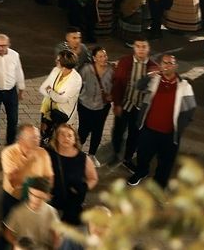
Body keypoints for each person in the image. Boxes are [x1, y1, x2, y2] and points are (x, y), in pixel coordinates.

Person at [127, 53, 197, 188]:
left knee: (166, 162)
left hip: (169, 134)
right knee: (143, 155)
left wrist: (181, 126)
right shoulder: (154, 81)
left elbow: (191, 108)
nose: (167, 66)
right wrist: (149, 76)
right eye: (165, 63)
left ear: (176, 66)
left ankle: (159, 184)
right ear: (160, 65)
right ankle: (141, 172)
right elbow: (138, 86)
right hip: (149, 129)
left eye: (170, 63)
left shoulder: (184, 86)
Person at [110, 37, 156, 168]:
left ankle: (128, 158)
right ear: (134, 48)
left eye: (144, 46)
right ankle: (116, 153)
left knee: (135, 134)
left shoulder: (154, 67)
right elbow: (117, 84)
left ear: (148, 49)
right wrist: (117, 104)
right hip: (125, 104)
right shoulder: (125, 62)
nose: (141, 49)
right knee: (118, 131)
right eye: (138, 46)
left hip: (140, 108)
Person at [0, 125, 54, 227]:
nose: (38, 140)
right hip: (14, 198)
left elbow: (49, 176)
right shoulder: (8, 153)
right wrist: (29, 160)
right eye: (33, 137)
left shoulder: (42, 152)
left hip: (36, 198)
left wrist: (46, 192)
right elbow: (14, 182)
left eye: (38, 137)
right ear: (21, 139)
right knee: (9, 226)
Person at [46, 123, 97, 225]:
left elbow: (93, 178)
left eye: (70, 135)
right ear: (56, 137)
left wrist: (84, 188)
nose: (66, 138)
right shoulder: (48, 154)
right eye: (62, 134)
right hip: (53, 199)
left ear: (74, 139)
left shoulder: (83, 158)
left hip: (74, 202)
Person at [0, 34, 25, 156]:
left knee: (13, 119)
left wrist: (21, 89)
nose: (0, 48)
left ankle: (10, 143)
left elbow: (19, 72)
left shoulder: (14, 55)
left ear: (8, 45)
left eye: (3, 45)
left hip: (11, 91)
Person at [76, 47, 113, 167]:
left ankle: (92, 155)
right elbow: (78, 83)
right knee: (83, 131)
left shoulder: (111, 70)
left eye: (105, 56)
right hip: (85, 105)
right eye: (100, 56)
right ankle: (76, 153)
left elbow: (115, 85)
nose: (104, 59)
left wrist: (111, 96)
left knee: (97, 132)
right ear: (94, 58)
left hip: (102, 107)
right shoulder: (87, 69)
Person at [3, 177, 61, 250]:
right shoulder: (18, 211)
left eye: (40, 197)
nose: (35, 200)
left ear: (47, 197)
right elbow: (8, 233)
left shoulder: (51, 211)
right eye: (32, 194)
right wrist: (18, 245)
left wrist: (55, 246)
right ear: (28, 192)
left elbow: (56, 234)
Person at [38, 51, 82, 144]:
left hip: (62, 115)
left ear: (64, 64)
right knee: (44, 136)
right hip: (48, 110)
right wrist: (55, 94)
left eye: (58, 60)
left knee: (59, 140)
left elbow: (63, 99)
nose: (56, 61)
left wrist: (50, 91)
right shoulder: (56, 70)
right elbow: (43, 88)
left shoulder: (76, 80)